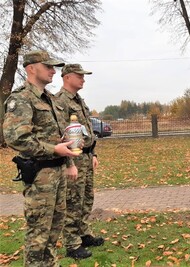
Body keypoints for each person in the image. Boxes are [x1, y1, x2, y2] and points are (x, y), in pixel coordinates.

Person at [3, 50, 79, 267]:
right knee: (39, 232)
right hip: (40, 176)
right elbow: (16, 137)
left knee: (54, 229)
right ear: (31, 68)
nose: (53, 71)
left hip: (58, 172)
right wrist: (54, 149)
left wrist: (69, 149)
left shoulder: (50, 100)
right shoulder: (21, 98)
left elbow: (57, 135)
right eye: (48, 66)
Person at [56, 64, 104, 259]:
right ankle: (72, 244)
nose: (83, 79)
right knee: (73, 201)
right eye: (79, 76)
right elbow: (61, 134)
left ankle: (83, 234)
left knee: (85, 199)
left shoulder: (78, 100)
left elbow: (86, 131)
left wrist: (93, 154)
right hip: (73, 158)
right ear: (67, 77)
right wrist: (70, 163)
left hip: (85, 157)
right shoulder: (61, 101)